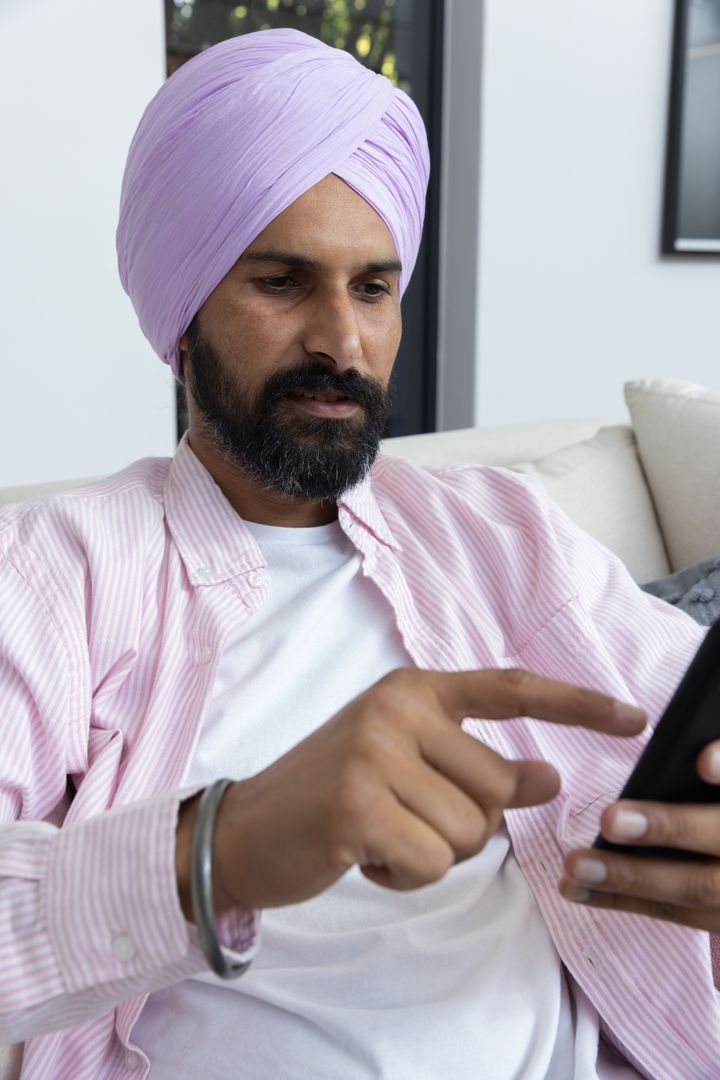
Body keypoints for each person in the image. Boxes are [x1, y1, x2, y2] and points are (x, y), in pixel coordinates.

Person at [0, 27, 719, 1080]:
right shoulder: (58, 571)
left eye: (374, 287)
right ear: (183, 315)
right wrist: (224, 846)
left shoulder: (500, 535)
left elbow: (681, 707)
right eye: (284, 283)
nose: (343, 340)